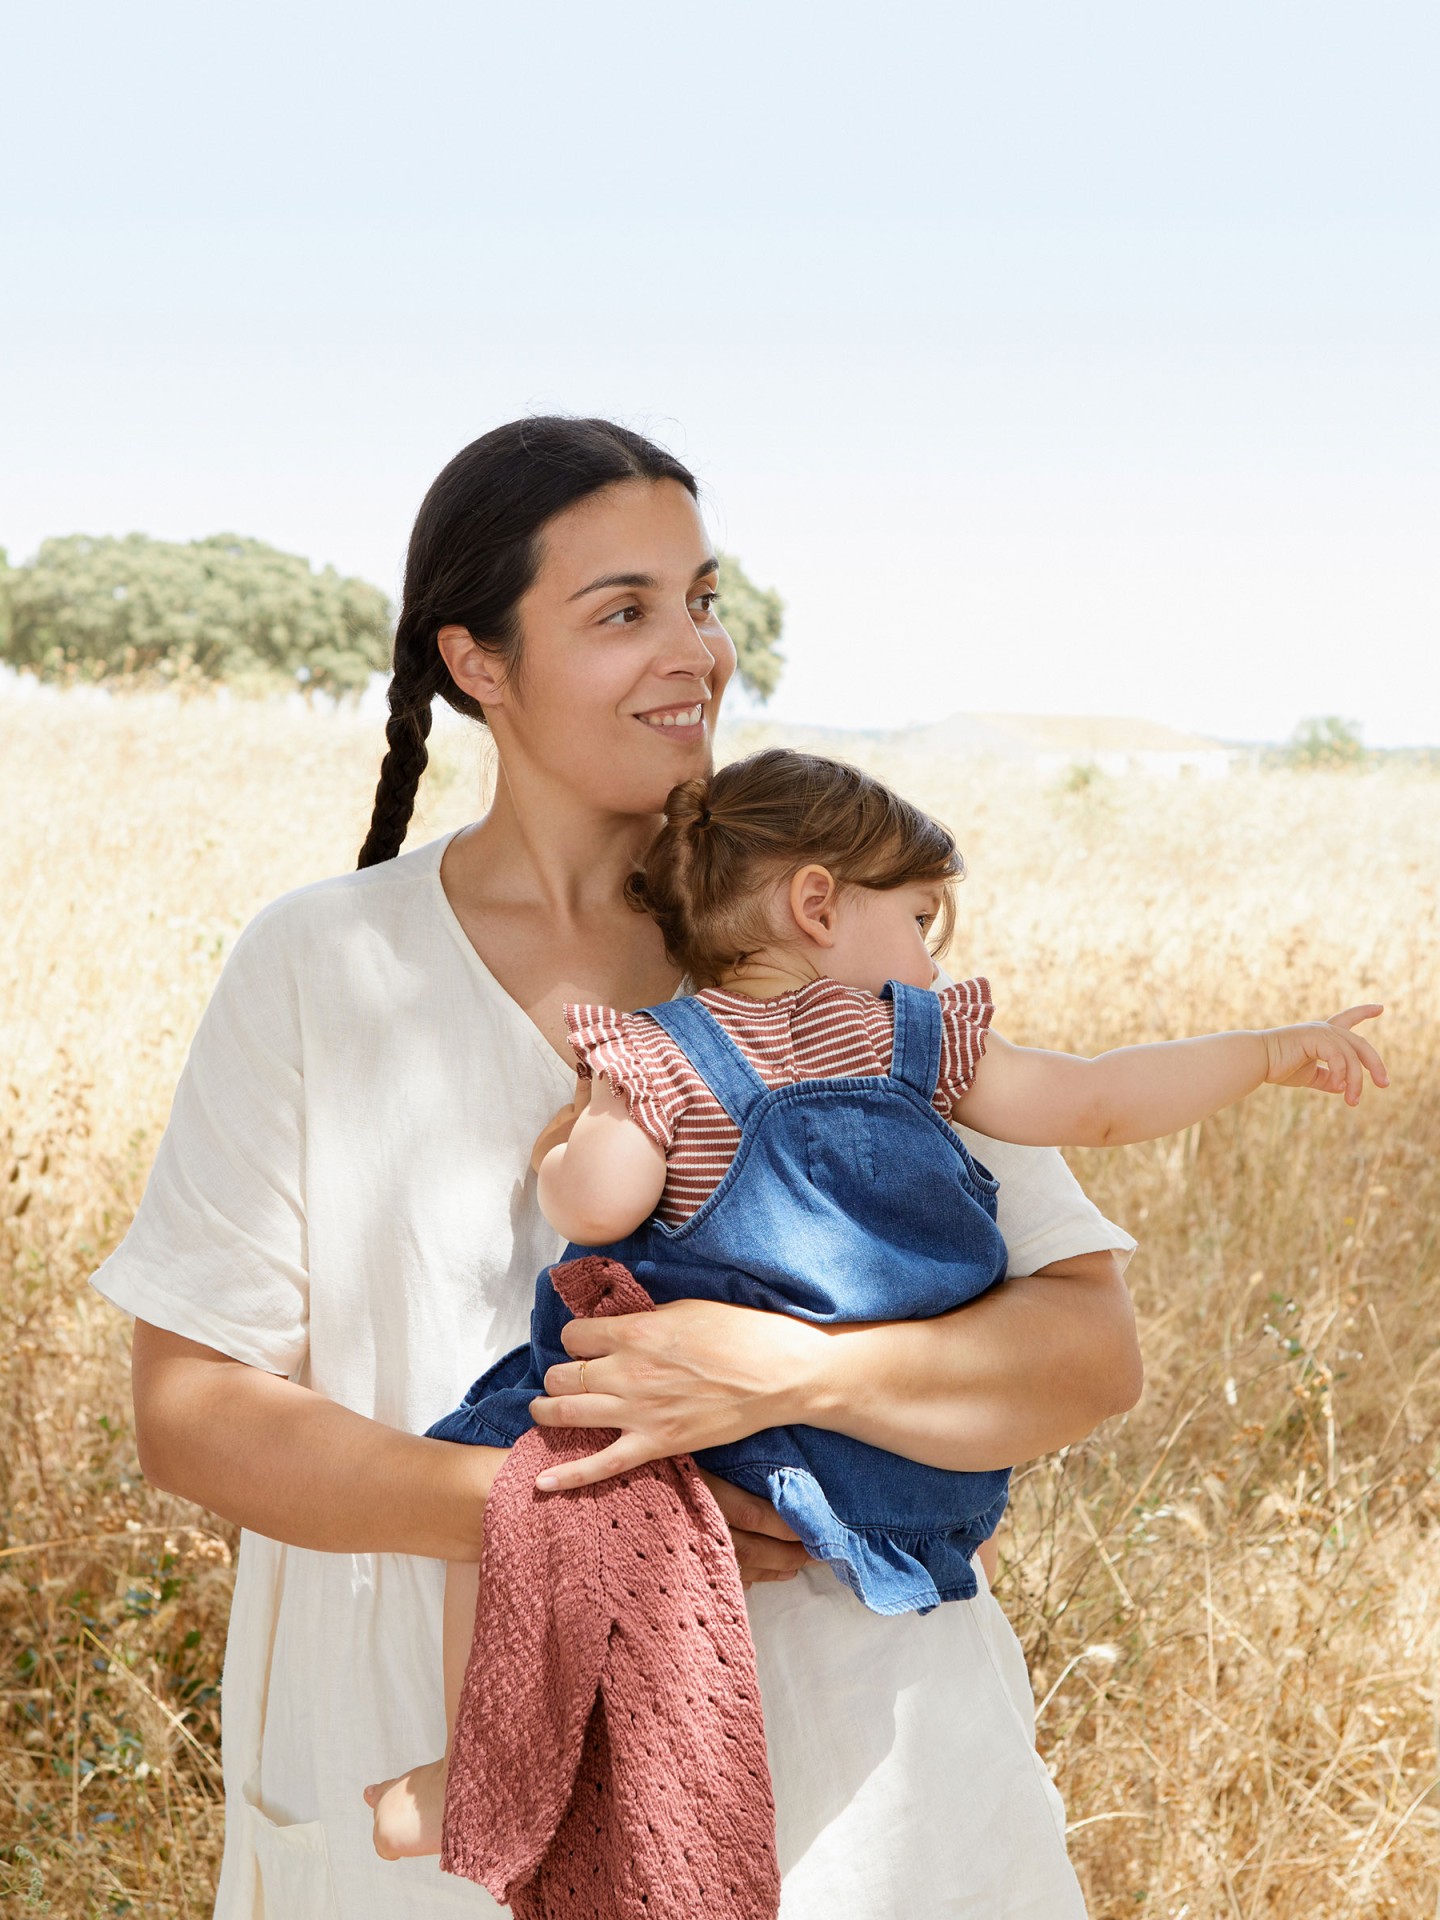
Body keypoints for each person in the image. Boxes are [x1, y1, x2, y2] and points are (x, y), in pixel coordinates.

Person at [94, 416, 1150, 1918]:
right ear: (478, 661)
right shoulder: (322, 966)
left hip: (857, 1777)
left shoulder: (822, 943)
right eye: (624, 611)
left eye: (702, 602)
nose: (697, 654)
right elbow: (194, 1415)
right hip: (433, 1747)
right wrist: (583, 1512)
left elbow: (1086, 1352)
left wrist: (784, 1379)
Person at [372, 746, 1385, 1860]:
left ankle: (487, 1753)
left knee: (522, 1474)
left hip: (710, 1435)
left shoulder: (663, 1054)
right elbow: (1095, 1098)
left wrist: (579, 1133)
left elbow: (604, 1206)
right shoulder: (921, 1043)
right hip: (893, 1449)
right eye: (918, 919)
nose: (928, 956)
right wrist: (1265, 1053)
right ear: (818, 903)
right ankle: (916, 1555)